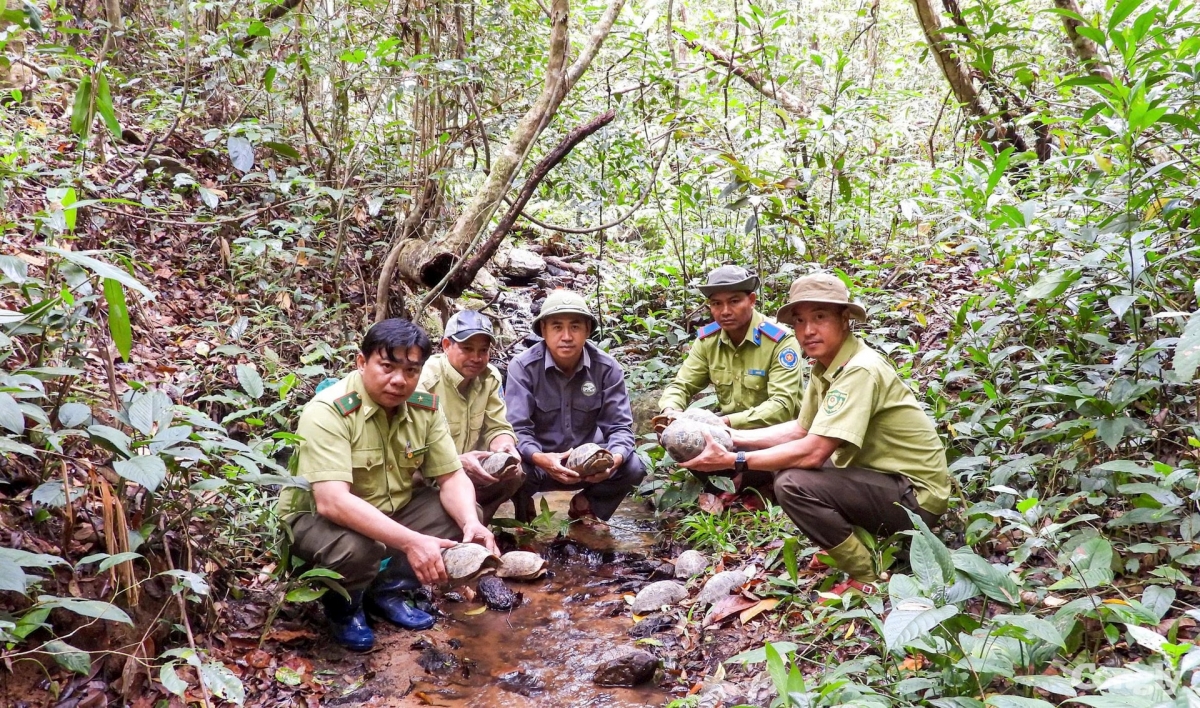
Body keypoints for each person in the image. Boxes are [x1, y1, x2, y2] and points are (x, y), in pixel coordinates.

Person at [682, 273, 950, 594]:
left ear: (845, 319)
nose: (808, 330)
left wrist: (734, 460)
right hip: (886, 480)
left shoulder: (859, 369)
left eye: (820, 317)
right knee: (786, 466)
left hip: (917, 501)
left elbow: (813, 451)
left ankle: (867, 576)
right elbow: (800, 429)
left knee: (791, 483)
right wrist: (728, 434)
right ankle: (854, 544)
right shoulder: (825, 366)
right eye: (800, 321)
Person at [278, 319, 497, 651]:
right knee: (360, 548)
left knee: (464, 515)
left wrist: (470, 523)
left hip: (388, 509)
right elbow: (331, 501)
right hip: (316, 521)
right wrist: (412, 542)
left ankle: (386, 591)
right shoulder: (329, 411)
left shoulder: (423, 407)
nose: (399, 380)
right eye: (387, 367)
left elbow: (451, 476)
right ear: (362, 362)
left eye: (411, 370)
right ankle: (344, 607)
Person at [504, 290, 645, 522]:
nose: (567, 336)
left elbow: (620, 428)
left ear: (587, 330)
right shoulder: (523, 367)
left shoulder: (607, 369)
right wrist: (541, 458)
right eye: (557, 327)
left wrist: (612, 462)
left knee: (634, 466)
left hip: (591, 466)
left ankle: (586, 506)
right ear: (543, 331)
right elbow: (517, 430)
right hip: (540, 464)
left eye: (575, 327)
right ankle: (523, 512)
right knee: (511, 467)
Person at [658, 264, 803, 429]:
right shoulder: (709, 341)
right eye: (717, 303)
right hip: (728, 430)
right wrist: (670, 411)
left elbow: (782, 406)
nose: (725, 311)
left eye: (734, 301)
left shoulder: (779, 341)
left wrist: (723, 422)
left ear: (752, 301)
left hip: (780, 433)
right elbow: (682, 385)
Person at [417, 309, 524, 522]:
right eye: (467, 349)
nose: (476, 358)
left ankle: (478, 525)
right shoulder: (424, 381)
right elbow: (411, 449)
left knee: (515, 474)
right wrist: (455, 464)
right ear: (446, 345)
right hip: (431, 476)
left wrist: (504, 446)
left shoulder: (490, 377)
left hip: (473, 470)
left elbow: (498, 426)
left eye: (483, 350)